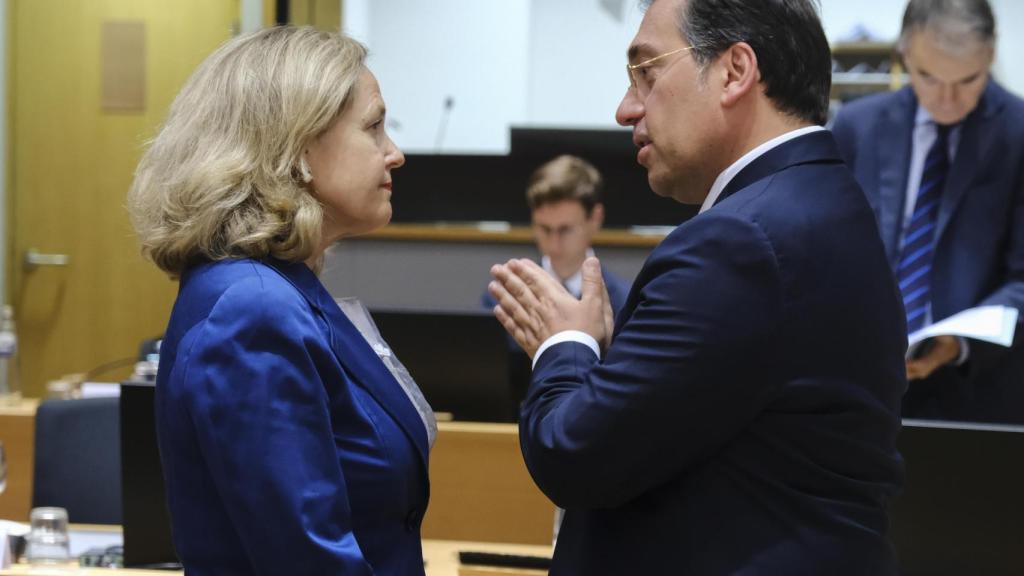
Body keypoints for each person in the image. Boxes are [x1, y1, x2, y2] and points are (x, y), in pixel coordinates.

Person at [488, 0, 906, 574]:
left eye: (647, 72)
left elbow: (575, 456)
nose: (625, 108)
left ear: (735, 71)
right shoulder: (822, 200)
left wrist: (566, 345)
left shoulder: (736, 243)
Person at [127, 26, 433, 575]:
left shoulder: (276, 288)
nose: (395, 153)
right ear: (297, 145)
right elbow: (308, 560)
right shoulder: (253, 308)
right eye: (375, 127)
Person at [831, 0, 1024, 423]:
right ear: (905, 54)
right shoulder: (855, 126)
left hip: (978, 390)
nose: (948, 100)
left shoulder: (1018, 133)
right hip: (859, 380)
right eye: (929, 77)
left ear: (991, 54)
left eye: (968, 80)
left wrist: (960, 342)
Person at [481, 155, 630, 316]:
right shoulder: (502, 299)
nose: (554, 245)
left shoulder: (626, 303)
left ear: (595, 219)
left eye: (565, 230)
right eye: (545, 229)